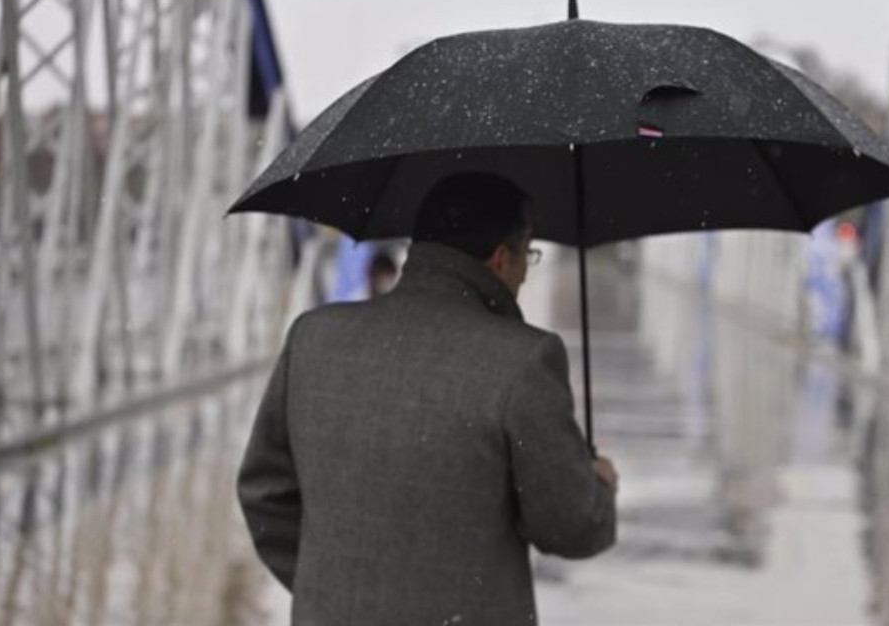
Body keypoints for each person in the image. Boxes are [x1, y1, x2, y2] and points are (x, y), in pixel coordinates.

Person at [238, 172, 618, 625]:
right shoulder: (524, 361)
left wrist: (330, 586)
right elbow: (569, 527)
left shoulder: (314, 338)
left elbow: (264, 494)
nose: (524, 273)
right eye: (527, 256)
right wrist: (597, 484)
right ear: (501, 259)